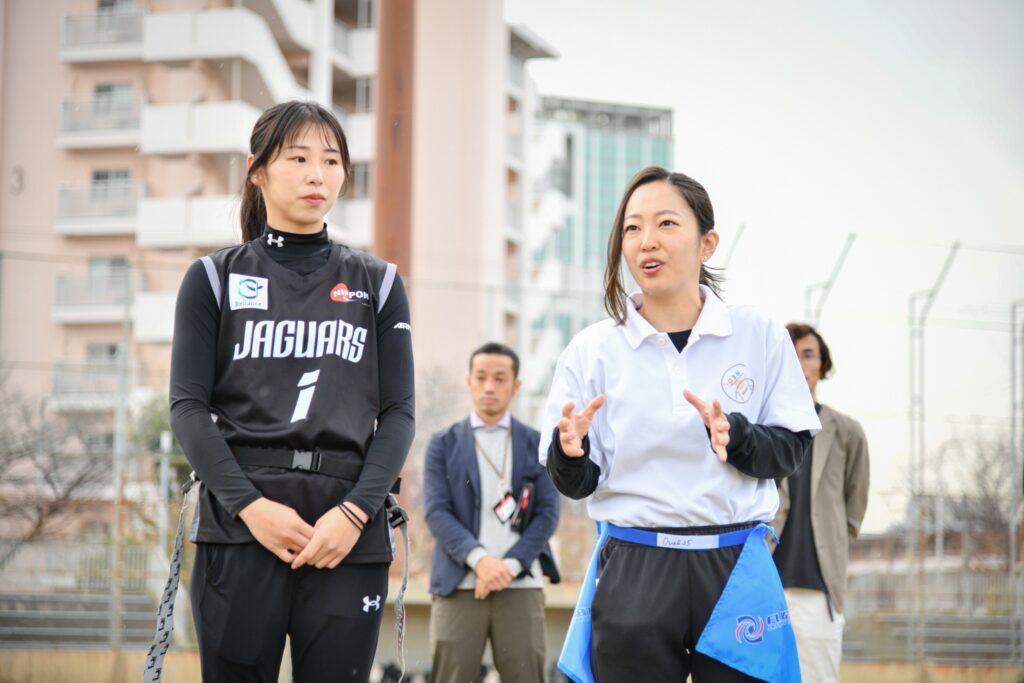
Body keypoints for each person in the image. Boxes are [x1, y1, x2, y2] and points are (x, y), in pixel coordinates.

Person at [541, 166, 821, 683]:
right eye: (632, 228)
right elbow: (577, 483)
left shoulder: (757, 334)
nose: (646, 241)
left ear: (707, 243)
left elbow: (790, 450)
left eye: (666, 223)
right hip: (636, 565)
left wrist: (738, 437)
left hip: (736, 565)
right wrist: (570, 453)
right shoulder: (592, 350)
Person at [167, 100, 415, 682]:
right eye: (298, 158)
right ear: (256, 171)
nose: (316, 175)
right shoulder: (214, 278)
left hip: (346, 535)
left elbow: (400, 414)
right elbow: (187, 409)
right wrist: (251, 508)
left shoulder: (378, 282)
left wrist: (354, 513)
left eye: (330, 161)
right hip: (241, 528)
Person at [424, 342, 561, 683]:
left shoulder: (537, 443)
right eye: (481, 377)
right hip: (458, 584)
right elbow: (437, 512)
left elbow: (547, 514)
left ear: (516, 385)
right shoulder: (443, 443)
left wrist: (509, 566)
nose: (489, 387)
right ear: (468, 381)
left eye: (500, 379)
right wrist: (481, 561)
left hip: (521, 585)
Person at [771, 322, 870, 683]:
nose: (799, 363)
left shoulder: (847, 432)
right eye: (791, 355)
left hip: (819, 591)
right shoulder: (760, 429)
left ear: (822, 366)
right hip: (766, 584)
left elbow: (853, 512)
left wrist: (832, 542)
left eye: (808, 355)